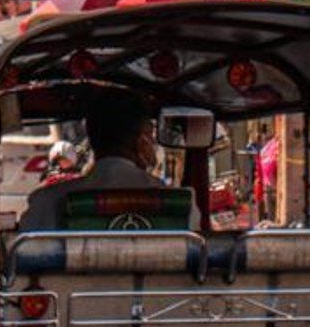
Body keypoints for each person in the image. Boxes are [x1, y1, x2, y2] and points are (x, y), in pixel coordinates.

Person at [17, 86, 190, 235]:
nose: (153, 144)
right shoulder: (180, 206)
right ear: (141, 141)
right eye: (151, 137)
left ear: (92, 139)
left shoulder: (46, 201)